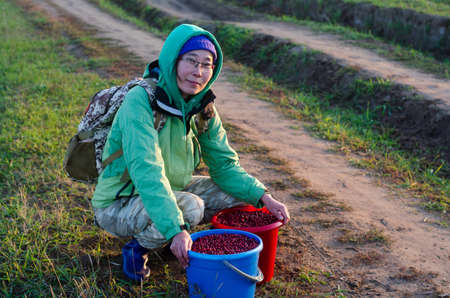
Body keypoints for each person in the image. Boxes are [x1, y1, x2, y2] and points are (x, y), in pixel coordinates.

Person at [91, 23, 290, 281]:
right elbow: (147, 171)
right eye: (190, 61)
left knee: (239, 196)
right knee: (191, 208)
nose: (198, 72)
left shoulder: (201, 106)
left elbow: (224, 165)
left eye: (206, 64)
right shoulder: (140, 102)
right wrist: (176, 229)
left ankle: (175, 234)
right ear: (173, 60)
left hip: (172, 188)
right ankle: (137, 248)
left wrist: (264, 198)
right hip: (121, 200)